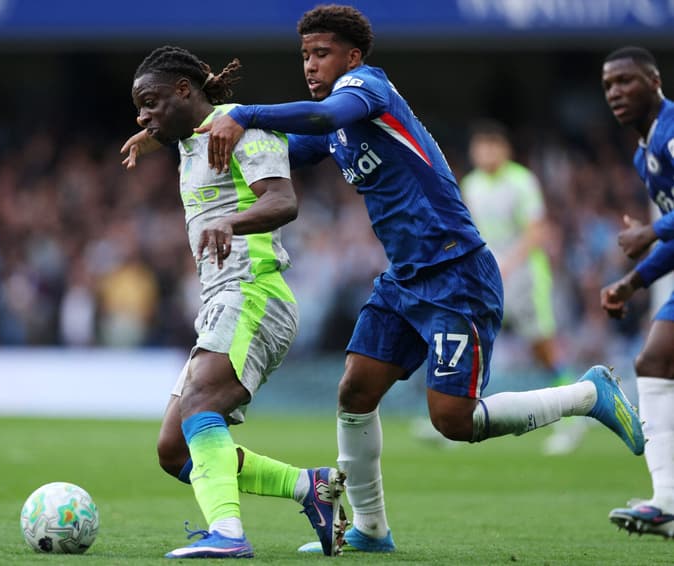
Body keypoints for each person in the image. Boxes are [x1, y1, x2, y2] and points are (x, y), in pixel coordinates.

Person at [122, 7, 645, 554]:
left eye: (321, 53)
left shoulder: (366, 90)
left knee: (453, 421)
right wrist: (175, 133)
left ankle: (588, 395)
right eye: (304, 55)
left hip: (455, 270)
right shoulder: (337, 131)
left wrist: (245, 111)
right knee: (355, 389)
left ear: (352, 56)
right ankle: (370, 527)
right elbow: (269, 148)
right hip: (404, 278)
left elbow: (314, 119)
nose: (310, 65)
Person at [128, 45, 346, 558]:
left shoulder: (242, 128)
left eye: (150, 101)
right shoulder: (190, 137)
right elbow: (188, 130)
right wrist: (155, 133)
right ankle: (308, 487)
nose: (142, 113)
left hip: (253, 291)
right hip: (221, 298)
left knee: (200, 406)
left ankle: (227, 533)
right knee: (173, 449)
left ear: (184, 90)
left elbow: (282, 200)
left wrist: (231, 221)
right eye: (138, 107)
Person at [460, 119, 587, 455]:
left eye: (492, 145)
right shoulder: (471, 184)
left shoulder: (521, 181)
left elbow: (536, 230)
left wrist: (509, 263)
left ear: (505, 149)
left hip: (525, 275)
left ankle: (573, 416)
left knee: (541, 347)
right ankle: (461, 414)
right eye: (480, 146)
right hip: (488, 274)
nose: (485, 152)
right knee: (468, 336)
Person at [600, 45, 674, 539]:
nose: (616, 93)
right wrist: (634, 281)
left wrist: (650, 232)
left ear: (654, 80)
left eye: (626, 81)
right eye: (608, 86)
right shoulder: (643, 152)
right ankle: (667, 502)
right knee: (654, 362)